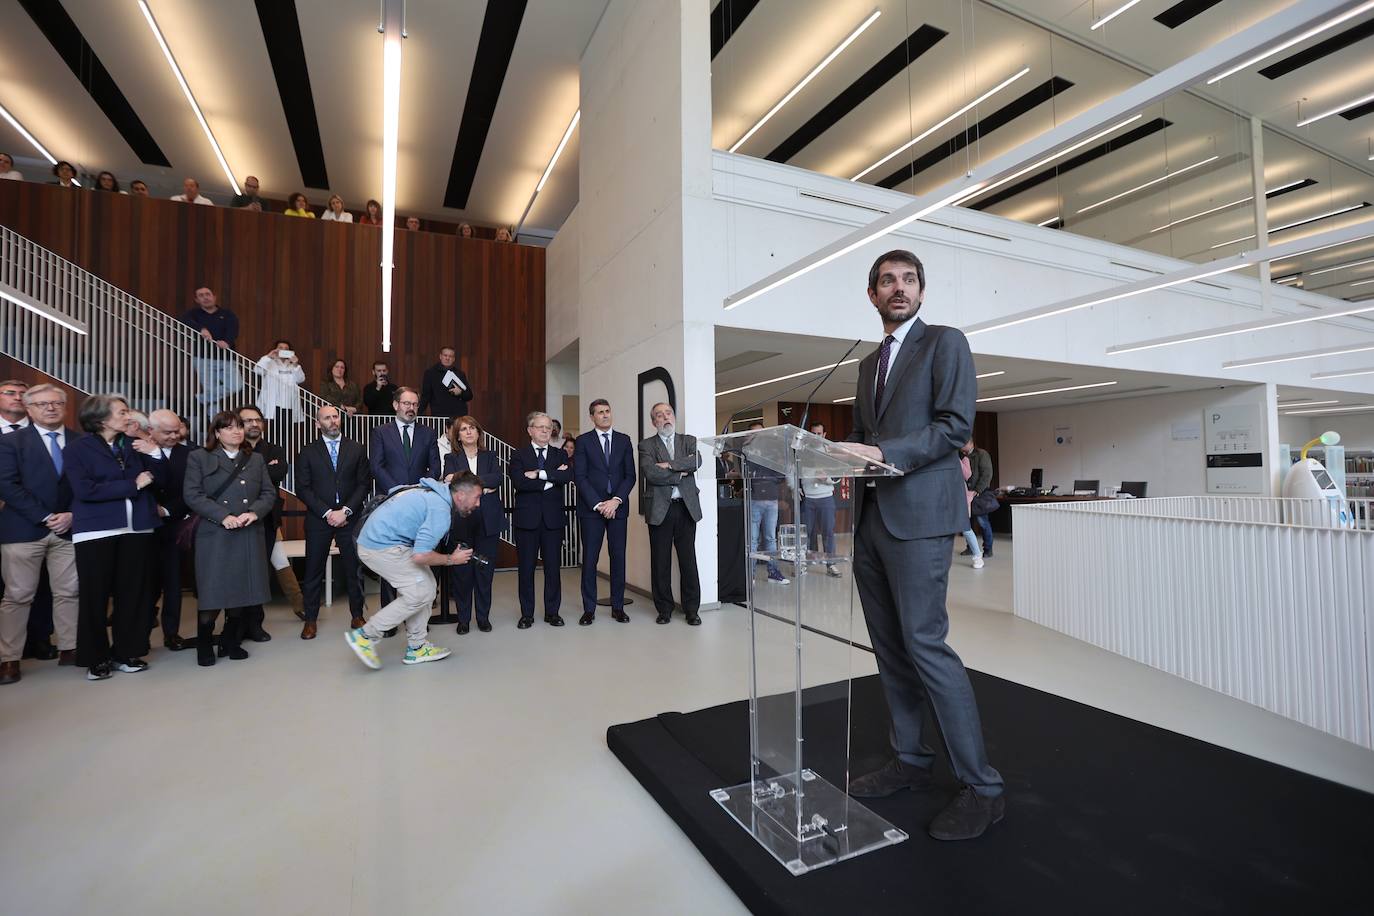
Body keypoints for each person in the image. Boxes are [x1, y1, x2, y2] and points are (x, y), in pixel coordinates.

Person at [843, 249, 1004, 841]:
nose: (899, 288)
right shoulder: (866, 366)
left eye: (909, 280)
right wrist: (843, 452)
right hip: (871, 522)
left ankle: (982, 788)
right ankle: (911, 761)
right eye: (888, 281)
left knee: (926, 646)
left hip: (920, 519)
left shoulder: (944, 343)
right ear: (873, 294)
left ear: (921, 292)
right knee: (890, 651)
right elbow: (864, 435)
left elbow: (955, 426)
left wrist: (883, 453)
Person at [65, 394, 166, 681]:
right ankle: (95, 658)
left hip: (138, 528)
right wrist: (132, 485)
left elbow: (161, 479)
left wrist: (153, 451)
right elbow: (85, 490)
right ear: (101, 418)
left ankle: (127, 652)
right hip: (97, 530)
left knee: (133, 594)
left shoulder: (133, 444)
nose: (129, 416)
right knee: (94, 596)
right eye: (122, 412)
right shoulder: (77, 449)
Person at [345, 474, 483, 669]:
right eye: (476, 497)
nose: (478, 504)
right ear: (460, 495)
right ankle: (366, 635)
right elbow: (421, 556)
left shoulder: (431, 490)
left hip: (383, 540)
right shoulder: (440, 510)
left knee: (427, 585)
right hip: (380, 547)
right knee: (421, 591)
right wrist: (452, 559)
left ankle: (417, 647)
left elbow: (395, 492)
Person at [0, 385, 81, 684]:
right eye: (43, 404)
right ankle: (9, 659)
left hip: (68, 528)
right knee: (18, 596)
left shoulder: (80, 442)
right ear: (29, 408)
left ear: (65, 406)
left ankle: (70, 649)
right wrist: (45, 516)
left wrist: (72, 513)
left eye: (57, 403)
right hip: (23, 529)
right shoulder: (10, 442)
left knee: (69, 592)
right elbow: (7, 485)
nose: (50, 408)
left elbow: (86, 485)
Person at [183, 411, 276, 667]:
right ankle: (204, 643)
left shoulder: (255, 459)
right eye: (230, 428)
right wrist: (223, 516)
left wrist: (254, 513)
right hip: (216, 534)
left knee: (241, 590)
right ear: (216, 432)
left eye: (240, 427)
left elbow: (269, 493)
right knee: (214, 591)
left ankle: (230, 641)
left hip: (247, 531)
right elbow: (192, 495)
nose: (237, 431)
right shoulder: (199, 457)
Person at [295, 406, 370, 639]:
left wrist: (345, 511)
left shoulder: (356, 448)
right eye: (327, 418)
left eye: (335, 416)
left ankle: (357, 615)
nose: (333, 421)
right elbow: (303, 488)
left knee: (354, 568)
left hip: (350, 517)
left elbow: (364, 484)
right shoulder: (307, 452)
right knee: (313, 571)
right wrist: (328, 512)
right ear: (318, 424)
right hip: (319, 518)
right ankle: (310, 620)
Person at [369, 388, 440, 611]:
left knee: (419, 561)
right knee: (390, 561)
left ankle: (419, 616)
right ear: (396, 405)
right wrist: (398, 490)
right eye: (406, 403)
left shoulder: (428, 433)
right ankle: (390, 616)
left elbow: (435, 466)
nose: (411, 408)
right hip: (390, 504)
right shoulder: (380, 432)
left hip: (419, 505)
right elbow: (376, 466)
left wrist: (418, 489)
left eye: (415, 404)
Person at [638, 402, 702, 625]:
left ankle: (692, 610)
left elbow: (696, 461)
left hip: (686, 507)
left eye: (668, 413)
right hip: (659, 510)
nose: (665, 417)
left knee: (688, 561)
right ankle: (664, 609)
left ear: (673, 416)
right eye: (659, 415)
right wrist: (680, 472)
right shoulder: (646, 445)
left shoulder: (688, 440)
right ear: (653, 421)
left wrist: (669, 465)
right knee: (660, 561)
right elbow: (652, 474)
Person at [508, 411, 572, 628]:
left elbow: (566, 476)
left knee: (553, 569)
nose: (546, 431)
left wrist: (539, 474)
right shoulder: (519, 455)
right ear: (530, 430)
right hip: (527, 521)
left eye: (548, 427)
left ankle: (552, 613)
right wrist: (552, 477)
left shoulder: (560, 454)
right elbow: (519, 483)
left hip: (553, 521)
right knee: (526, 569)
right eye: (540, 427)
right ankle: (527, 614)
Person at [239, 406, 299, 635]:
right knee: (240, 572)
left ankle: (255, 624)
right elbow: (261, 476)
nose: (254, 424)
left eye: (257, 420)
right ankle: (236, 624)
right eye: (248, 421)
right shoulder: (233, 449)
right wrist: (264, 469)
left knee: (260, 572)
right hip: (237, 520)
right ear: (239, 424)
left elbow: (278, 474)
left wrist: (250, 472)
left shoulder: (275, 449)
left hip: (266, 520)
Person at [573, 399, 634, 625]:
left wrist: (615, 501)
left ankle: (618, 607)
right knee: (590, 559)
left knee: (618, 558)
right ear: (592, 417)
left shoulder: (624, 440)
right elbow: (580, 477)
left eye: (608, 411)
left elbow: (630, 476)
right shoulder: (582, 441)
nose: (605, 415)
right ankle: (589, 609)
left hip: (618, 508)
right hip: (592, 510)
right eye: (600, 412)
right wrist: (599, 504)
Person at [440, 416, 503, 634]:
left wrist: (465, 481)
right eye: (463, 429)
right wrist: (483, 487)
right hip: (462, 522)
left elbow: (497, 479)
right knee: (462, 574)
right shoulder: (451, 457)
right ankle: (464, 619)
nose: (468, 432)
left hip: (488, 521)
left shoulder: (490, 456)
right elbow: (450, 483)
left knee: (484, 572)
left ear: (478, 432)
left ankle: (483, 618)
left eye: (472, 428)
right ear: (457, 435)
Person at [145, 409, 193, 648]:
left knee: (173, 583)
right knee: (145, 583)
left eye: (178, 431)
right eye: (168, 432)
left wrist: (166, 510)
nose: (175, 436)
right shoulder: (138, 451)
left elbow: (191, 491)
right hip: (143, 527)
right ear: (151, 431)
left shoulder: (191, 454)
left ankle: (171, 633)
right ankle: (139, 634)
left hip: (175, 524)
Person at [179, 287, 244, 428]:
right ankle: (218, 425)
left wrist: (226, 341)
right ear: (197, 300)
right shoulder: (193, 314)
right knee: (211, 391)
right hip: (203, 358)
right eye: (201, 295)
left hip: (226, 357)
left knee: (236, 385)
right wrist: (201, 329)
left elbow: (233, 329)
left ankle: (200, 399)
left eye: (207, 294)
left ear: (214, 297)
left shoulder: (227, 314)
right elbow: (185, 321)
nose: (205, 297)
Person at [745, 421, 789, 584]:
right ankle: (751, 575)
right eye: (754, 433)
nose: (759, 436)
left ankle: (773, 572)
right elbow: (747, 472)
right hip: (754, 499)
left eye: (762, 433)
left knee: (771, 538)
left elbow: (780, 474)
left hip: (771, 499)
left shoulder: (773, 450)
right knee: (753, 539)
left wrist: (763, 476)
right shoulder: (745, 451)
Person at [802, 422, 842, 578]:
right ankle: (807, 562)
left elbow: (839, 473)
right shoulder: (803, 451)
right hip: (808, 498)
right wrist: (795, 488)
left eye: (819, 434)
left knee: (828, 533)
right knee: (807, 533)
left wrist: (827, 478)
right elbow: (794, 471)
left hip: (825, 498)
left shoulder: (830, 451)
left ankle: (830, 565)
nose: (816, 436)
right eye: (814, 433)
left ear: (824, 435)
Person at [254, 340, 306, 430]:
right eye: (280, 348)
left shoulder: (292, 365)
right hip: (272, 404)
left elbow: (300, 379)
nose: (283, 350)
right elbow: (257, 370)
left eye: (286, 348)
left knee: (286, 433)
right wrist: (268, 357)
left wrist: (296, 364)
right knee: (271, 432)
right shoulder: (269, 362)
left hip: (288, 404)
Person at [418, 346, 473, 420]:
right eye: (445, 355)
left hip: (458, 416)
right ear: (440, 356)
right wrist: (418, 413)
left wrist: (460, 393)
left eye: (450, 356)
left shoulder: (460, 374)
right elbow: (425, 396)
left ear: (454, 359)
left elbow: (469, 396)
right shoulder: (431, 373)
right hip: (439, 416)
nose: (447, 358)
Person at [962, 438, 995, 559]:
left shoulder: (982, 454)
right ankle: (970, 547)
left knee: (983, 522)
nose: (961, 445)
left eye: (963, 442)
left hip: (978, 493)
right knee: (967, 524)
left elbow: (987, 474)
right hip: (966, 494)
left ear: (971, 442)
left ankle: (988, 549)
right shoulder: (961, 456)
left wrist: (977, 490)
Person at [957, 449, 985, 571]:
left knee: (966, 529)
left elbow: (967, 475)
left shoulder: (963, 459)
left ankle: (977, 555)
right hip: (944, 497)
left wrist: (956, 460)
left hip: (960, 498)